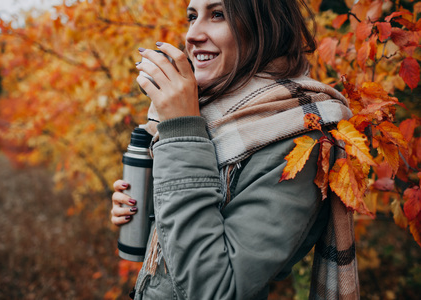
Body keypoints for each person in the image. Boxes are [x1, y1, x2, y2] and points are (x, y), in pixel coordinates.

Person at [111, 0, 360, 299]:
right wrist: (149, 207)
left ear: (264, 27)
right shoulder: (213, 113)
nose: (192, 34)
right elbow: (191, 221)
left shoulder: (300, 136)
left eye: (218, 15)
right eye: (192, 16)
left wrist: (182, 129)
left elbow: (216, 288)